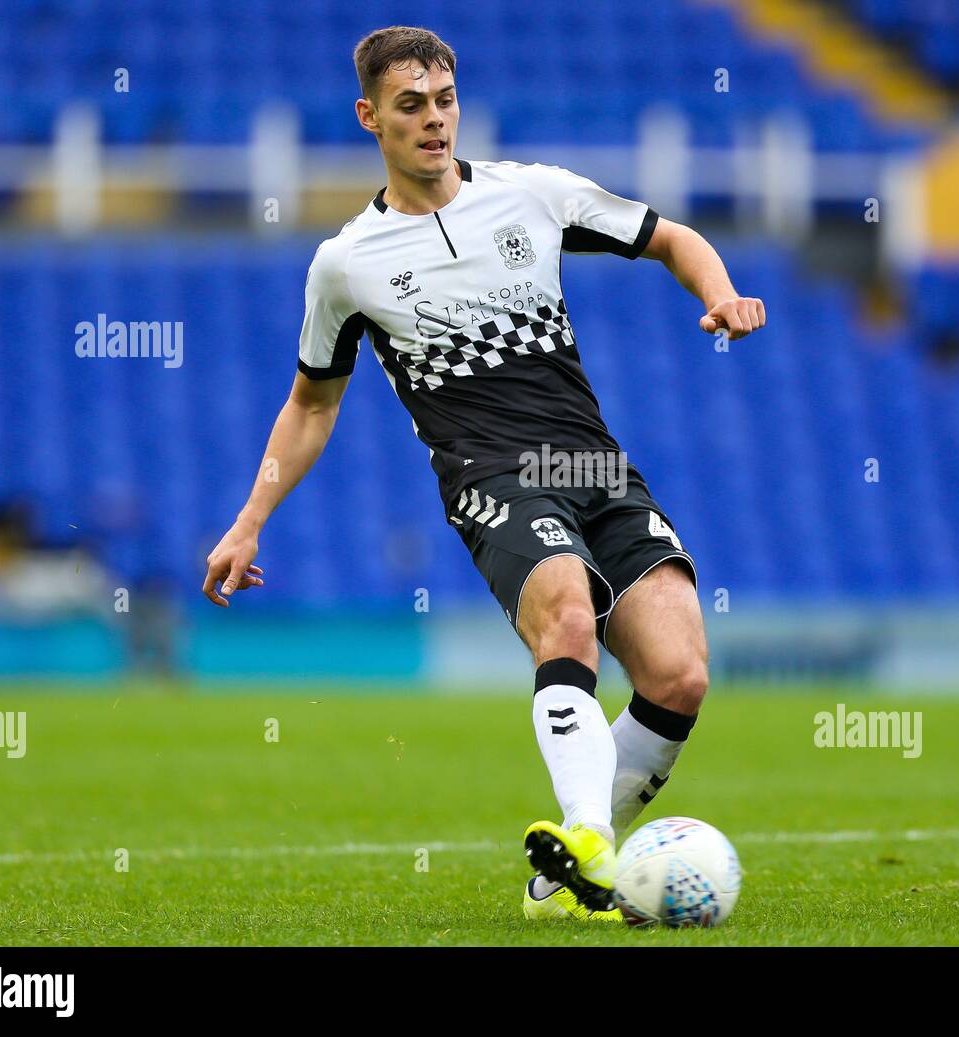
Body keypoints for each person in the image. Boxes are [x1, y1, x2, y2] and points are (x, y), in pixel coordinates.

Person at [203, 25, 766, 921]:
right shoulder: (346, 265)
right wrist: (249, 520)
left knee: (679, 675)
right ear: (369, 117)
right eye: (411, 106)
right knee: (568, 612)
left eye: (445, 101)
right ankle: (591, 837)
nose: (434, 120)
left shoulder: (532, 195)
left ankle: (566, 878)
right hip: (490, 476)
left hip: (591, 461)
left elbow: (672, 237)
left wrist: (720, 293)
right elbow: (310, 405)